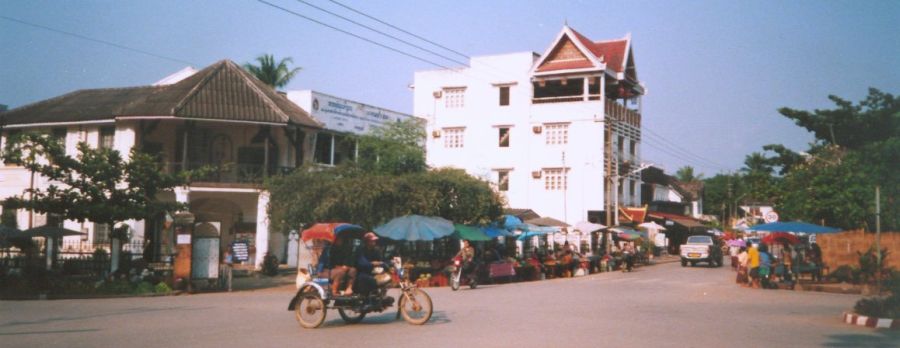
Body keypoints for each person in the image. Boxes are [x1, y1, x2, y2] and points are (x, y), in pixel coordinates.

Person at [355, 232, 383, 298]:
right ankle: (367, 300)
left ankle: (380, 296)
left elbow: (381, 261)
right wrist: (372, 263)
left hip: (374, 271)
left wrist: (391, 262)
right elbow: (362, 263)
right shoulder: (360, 250)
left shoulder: (376, 250)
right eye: (372, 240)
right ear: (367, 241)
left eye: (374, 240)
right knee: (370, 279)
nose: (374, 242)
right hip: (362, 271)